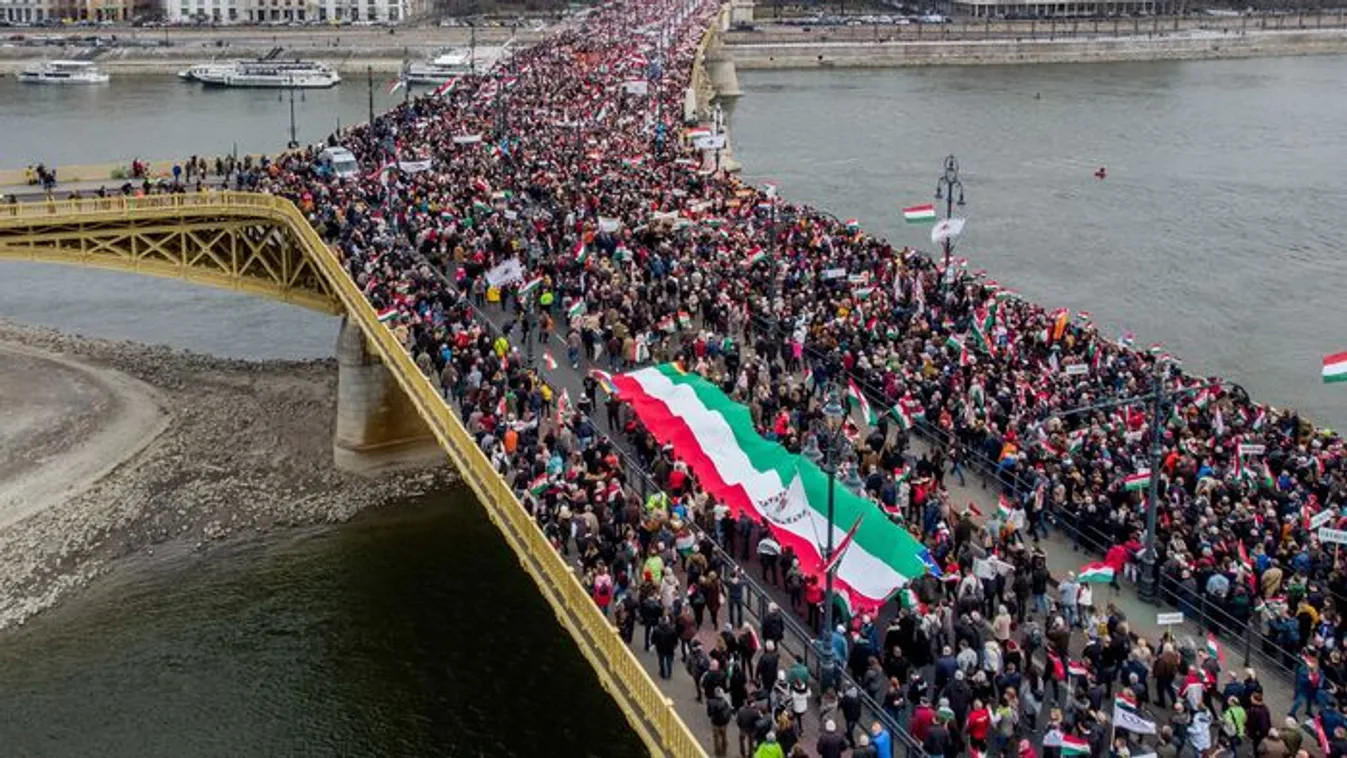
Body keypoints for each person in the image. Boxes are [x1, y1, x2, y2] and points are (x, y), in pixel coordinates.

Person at [707, 687, 734, 757]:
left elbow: (709, 714)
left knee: (716, 738)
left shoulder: (711, 702)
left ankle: (717, 752)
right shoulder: (725, 702)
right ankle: (724, 752)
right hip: (724, 723)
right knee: (724, 736)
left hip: (715, 723)